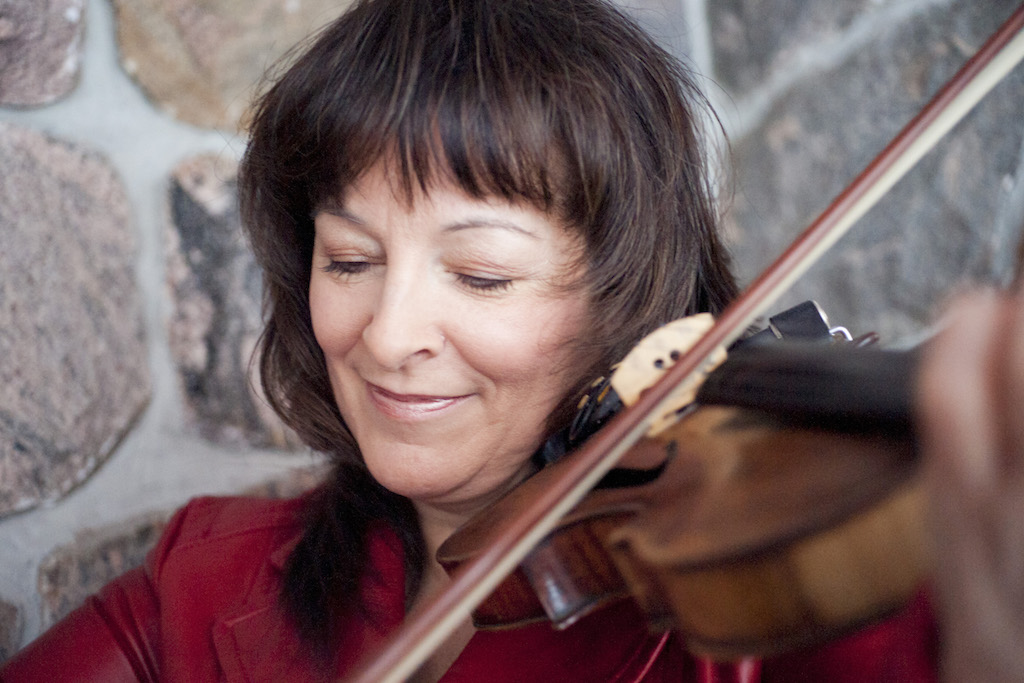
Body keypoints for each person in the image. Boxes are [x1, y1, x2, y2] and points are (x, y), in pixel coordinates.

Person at [1, 0, 1019, 680]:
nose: (388, 335)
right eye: (349, 261)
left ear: (626, 293)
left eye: (480, 274)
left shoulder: (753, 619)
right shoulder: (210, 578)